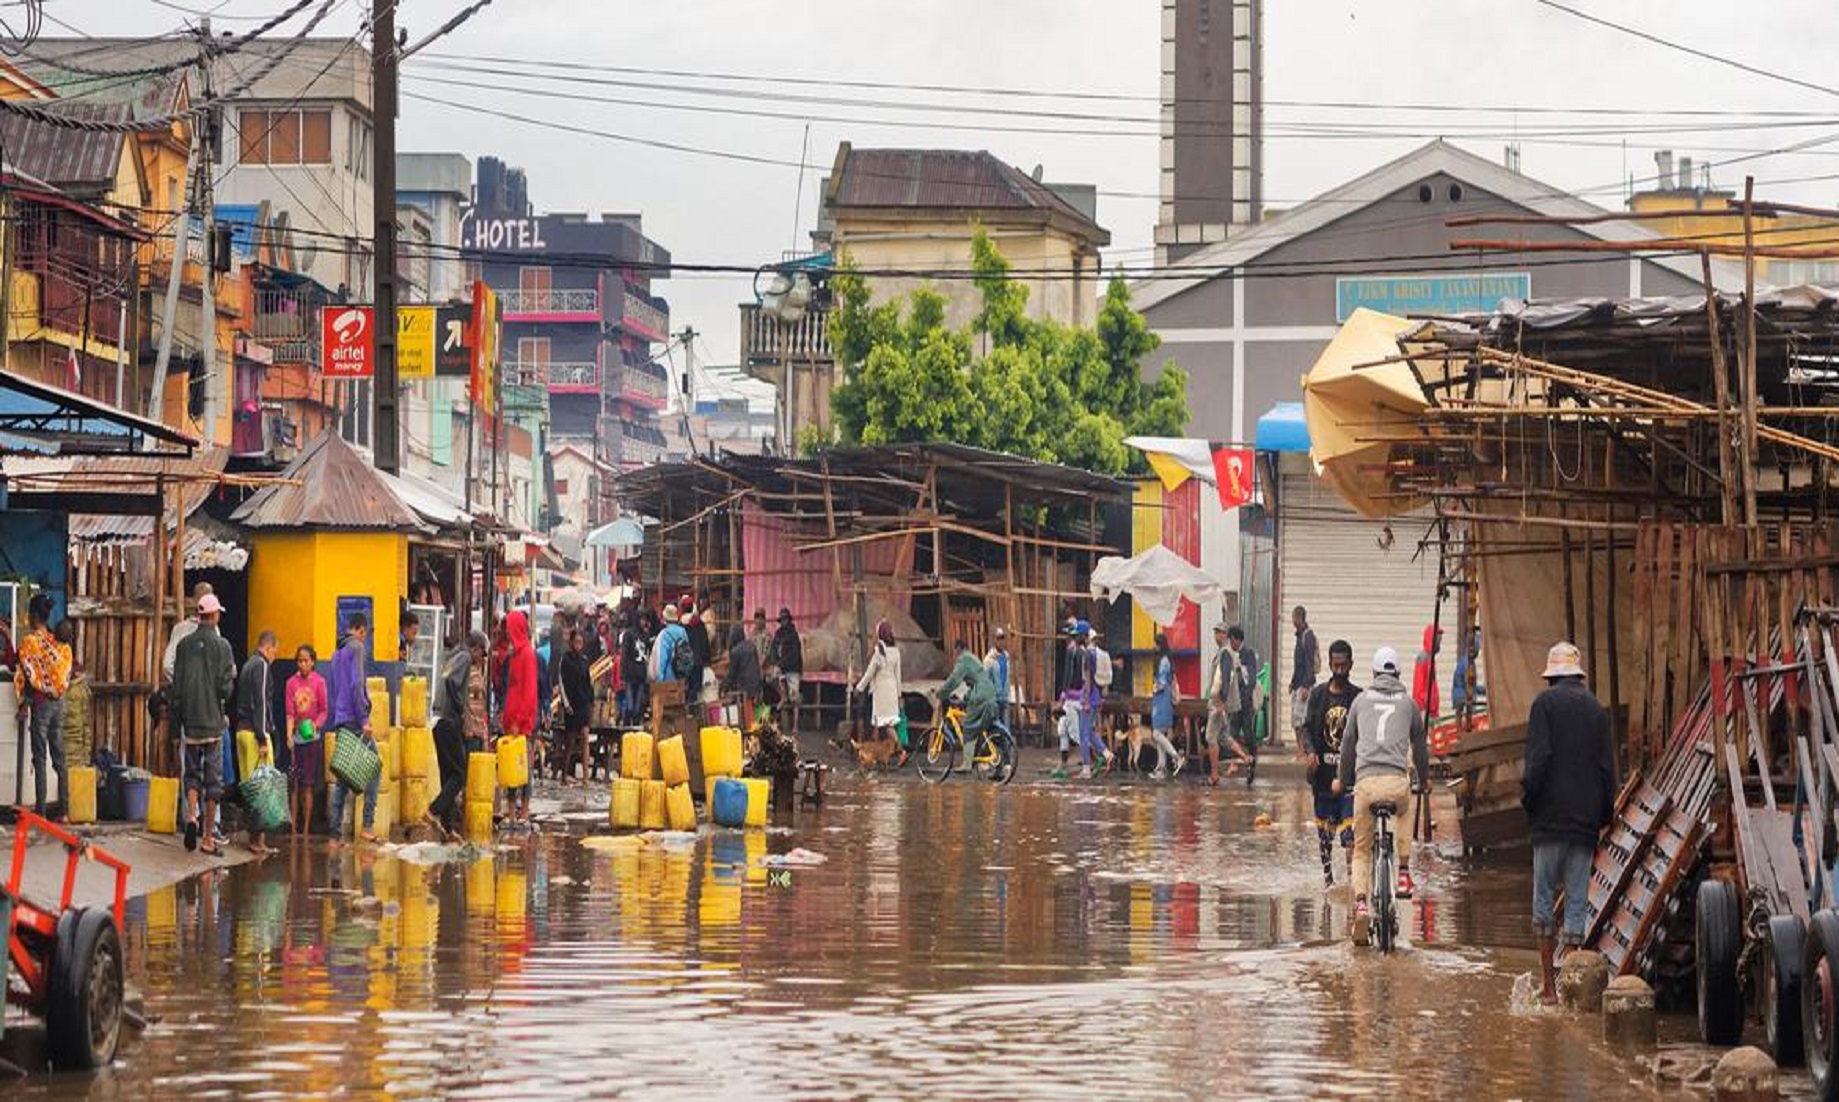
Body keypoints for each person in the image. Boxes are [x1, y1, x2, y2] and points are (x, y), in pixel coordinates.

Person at [1523, 641, 1617, 1005]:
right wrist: (1603, 816)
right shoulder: (1596, 710)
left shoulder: (1543, 705)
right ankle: (1572, 989)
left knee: (1544, 900)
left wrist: (1528, 801)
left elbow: (1538, 761)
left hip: (1548, 821)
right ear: (1578, 675)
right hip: (1584, 824)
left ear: (1552, 676)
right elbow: (1606, 770)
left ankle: (1548, 989)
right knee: (1577, 902)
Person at [1334, 646, 1430, 946]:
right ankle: (1402, 870)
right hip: (1396, 781)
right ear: (1398, 674)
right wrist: (1424, 781)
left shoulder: (1361, 700)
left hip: (1366, 784)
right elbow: (1421, 748)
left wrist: (1343, 778)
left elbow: (1348, 744)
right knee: (1403, 809)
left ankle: (1361, 903)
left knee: (1361, 850)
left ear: (1374, 674)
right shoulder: (1409, 704)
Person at [173, 593, 235, 855]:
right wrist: (230, 682)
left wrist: (178, 725)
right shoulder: (223, 647)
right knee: (213, 781)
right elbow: (225, 689)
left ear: (199, 616)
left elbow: (176, 689)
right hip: (213, 724)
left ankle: (191, 818)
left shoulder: (183, 646)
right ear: (215, 615)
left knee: (191, 775)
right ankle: (208, 838)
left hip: (191, 722)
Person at [1304, 640, 1361, 888]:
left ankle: (1352, 886)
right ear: (1329, 664)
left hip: (1349, 782)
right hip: (1323, 779)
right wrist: (1310, 752)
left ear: (1350, 665)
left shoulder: (1358, 698)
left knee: (1350, 837)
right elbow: (1306, 729)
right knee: (1325, 837)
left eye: (1344, 665)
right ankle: (1329, 883)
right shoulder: (1318, 695)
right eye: (1335, 665)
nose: (1339, 670)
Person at [14, 593, 70, 819]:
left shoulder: (30, 643)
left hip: (42, 704)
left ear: (34, 615)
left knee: (40, 757)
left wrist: (23, 703)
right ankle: (65, 810)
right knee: (60, 758)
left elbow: (26, 673)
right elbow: (65, 669)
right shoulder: (58, 642)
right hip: (60, 702)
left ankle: (41, 811)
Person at [427, 631, 486, 840]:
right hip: (448, 721)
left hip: (437, 721)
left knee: (448, 775)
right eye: (483, 654)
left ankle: (447, 827)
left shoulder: (452, 656)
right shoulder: (465, 657)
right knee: (460, 775)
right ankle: (433, 810)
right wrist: (461, 710)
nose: (482, 660)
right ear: (476, 648)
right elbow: (452, 683)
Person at [326, 614, 379, 844]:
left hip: (340, 718)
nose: (364, 638)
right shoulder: (356, 647)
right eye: (365, 633)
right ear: (360, 630)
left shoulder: (336, 653)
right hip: (355, 721)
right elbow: (356, 684)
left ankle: (334, 832)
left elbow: (336, 687)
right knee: (374, 766)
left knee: (344, 776)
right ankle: (367, 825)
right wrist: (364, 719)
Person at [234, 631, 279, 855]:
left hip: (241, 731)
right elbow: (260, 702)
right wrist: (262, 736)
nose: (274, 658)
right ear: (268, 648)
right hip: (254, 734)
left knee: (250, 786)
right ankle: (257, 840)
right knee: (263, 787)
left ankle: (256, 838)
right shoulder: (261, 665)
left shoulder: (247, 665)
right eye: (275, 653)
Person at [284, 644, 328, 839]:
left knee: (307, 785)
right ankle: (293, 828)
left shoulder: (319, 682)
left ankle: (306, 829)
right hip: (296, 739)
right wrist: (288, 737)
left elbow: (324, 710)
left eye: (306, 661)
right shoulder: (291, 683)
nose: (302, 664)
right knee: (293, 785)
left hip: (313, 740)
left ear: (313, 662)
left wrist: (315, 726)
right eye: (299, 661)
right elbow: (289, 713)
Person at [501, 608, 538, 825]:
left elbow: (529, 692)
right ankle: (511, 811)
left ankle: (523, 810)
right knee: (510, 768)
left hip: (522, 724)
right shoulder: (514, 655)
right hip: (512, 721)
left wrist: (520, 721)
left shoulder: (527, 655)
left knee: (524, 768)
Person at [855, 619, 904, 763]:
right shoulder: (896, 652)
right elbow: (898, 676)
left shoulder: (879, 653)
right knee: (880, 724)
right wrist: (899, 695)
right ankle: (876, 757)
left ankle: (901, 751)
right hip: (892, 690)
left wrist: (859, 688)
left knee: (885, 725)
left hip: (881, 692)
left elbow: (870, 673)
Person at [939, 638, 998, 744]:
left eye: (955, 650)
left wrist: (942, 693)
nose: (955, 654)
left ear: (959, 648)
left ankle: (968, 759)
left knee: (968, 725)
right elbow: (975, 683)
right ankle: (977, 750)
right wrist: (964, 699)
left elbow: (954, 679)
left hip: (981, 693)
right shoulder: (972, 657)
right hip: (986, 691)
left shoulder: (964, 659)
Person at [1225, 625, 1262, 781]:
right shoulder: (1230, 655)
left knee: (1248, 734)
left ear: (1235, 639)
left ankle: (1252, 763)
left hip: (1245, 703)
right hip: (1235, 701)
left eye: (1231, 639)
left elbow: (1251, 679)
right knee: (1232, 732)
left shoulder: (1248, 654)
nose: (1230, 643)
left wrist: (1245, 697)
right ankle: (1234, 762)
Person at [559, 628, 594, 782]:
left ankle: (585, 776)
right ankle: (564, 773)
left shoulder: (585, 661)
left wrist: (591, 701)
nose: (578, 645)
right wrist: (565, 703)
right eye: (576, 642)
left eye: (581, 642)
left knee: (585, 737)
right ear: (571, 643)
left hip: (583, 703)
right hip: (571, 704)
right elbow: (561, 683)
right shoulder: (565, 660)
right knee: (571, 741)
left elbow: (588, 682)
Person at [1053, 622, 1087, 780]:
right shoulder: (1077, 651)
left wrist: (1064, 695)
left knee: (1073, 732)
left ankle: (1089, 759)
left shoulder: (1074, 651)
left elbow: (1070, 675)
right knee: (1063, 730)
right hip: (1073, 696)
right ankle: (1063, 762)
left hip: (1073, 698)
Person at [1148, 632, 1183, 780]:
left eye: (1155, 643)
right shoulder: (1167, 659)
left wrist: (1153, 688)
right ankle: (1161, 768)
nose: (1154, 646)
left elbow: (1161, 683)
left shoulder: (1163, 661)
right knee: (1160, 734)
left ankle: (1176, 756)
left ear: (1160, 645)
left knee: (1156, 733)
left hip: (1162, 699)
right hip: (1163, 698)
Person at [162, 581, 215, 680]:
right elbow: (168, 665)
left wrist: (184, 684)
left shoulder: (181, 629)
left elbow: (167, 665)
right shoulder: (182, 629)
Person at [1289, 606, 1319, 750]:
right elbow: (1298, 663)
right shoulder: (1299, 636)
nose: (1292, 621)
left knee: (1301, 720)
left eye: (1294, 618)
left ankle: (1303, 750)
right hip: (1298, 684)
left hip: (1304, 685)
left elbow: (1309, 662)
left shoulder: (1308, 636)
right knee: (1295, 720)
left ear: (1299, 618)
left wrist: (1307, 686)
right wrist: (1292, 682)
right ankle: (1300, 750)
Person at [722, 622, 764, 727]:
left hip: (744, 686)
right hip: (756, 683)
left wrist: (724, 688)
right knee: (752, 710)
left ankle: (749, 729)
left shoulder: (735, 651)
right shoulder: (751, 646)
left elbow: (732, 674)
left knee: (746, 711)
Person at [771, 608, 804, 733]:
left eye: (785, 619)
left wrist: (781, 663)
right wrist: (776, 662)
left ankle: (795, 725)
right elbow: (773, 649)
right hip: (782, 667)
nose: (784, 622)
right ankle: (783, 695)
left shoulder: (793, 635)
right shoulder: (778, 634)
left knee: (795, 696)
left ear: (788, 620)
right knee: (772, 677)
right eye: (782, 620)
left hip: (792, 668)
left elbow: (794, 655)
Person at [984, 627, 1014, 734]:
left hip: (1005, 698)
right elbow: (986, 680)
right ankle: (996, 749)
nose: (1001, 641)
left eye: (1003, 638)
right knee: (995, 727)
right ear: (994, 640)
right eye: (998, 639)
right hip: (994, 699)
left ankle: (1006, 749)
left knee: (1006, 727)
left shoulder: (1006, 657)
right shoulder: (989, 660)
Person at [1412, 624, 1442, 722]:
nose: (1440, 642)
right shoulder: (1423, 658)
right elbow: (1419, 686)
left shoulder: (1430, 658)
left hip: (1431, 711)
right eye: (1438, 639)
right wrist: (1424, 706)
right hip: (1425, 711)